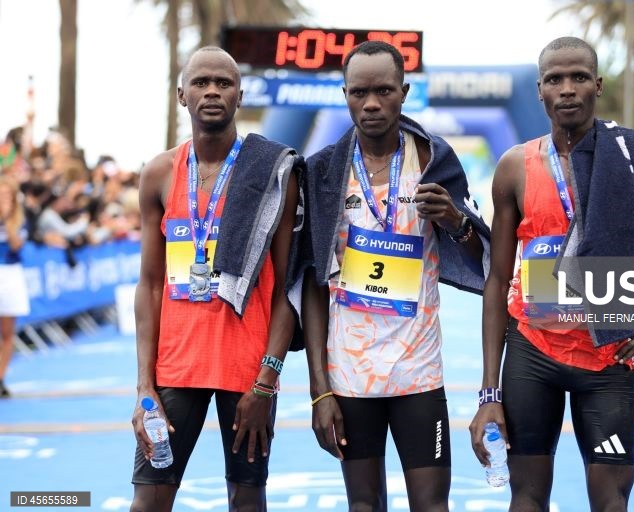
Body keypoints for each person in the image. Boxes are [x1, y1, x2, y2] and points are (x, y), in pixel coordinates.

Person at [469, 37, 634, 512]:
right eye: (555, 79)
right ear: (540, 91)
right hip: (533, 353)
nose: (567, 89)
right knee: (526, 497)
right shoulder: (515, 168)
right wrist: (490, 389)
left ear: (598, 85)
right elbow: (496, 280)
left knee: (611, 502)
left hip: (609, 359)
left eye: (578, 78)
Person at [301, 41, 490, 511]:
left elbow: (480, 254)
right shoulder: (323, 171)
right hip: (349, 376)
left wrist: (456, 221)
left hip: (418, 372)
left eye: (384, 90)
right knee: (364, 505)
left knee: (432, 506)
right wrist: (319, 388)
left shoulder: (432, 158)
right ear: (344, 94)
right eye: (359, 92)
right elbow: (311, 284)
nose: (371, 103)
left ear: (404, 92)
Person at [130, 46, 302, 512]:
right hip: (175, 369)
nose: (212, 91)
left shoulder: (273, 172)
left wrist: (267, 381)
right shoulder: (159, 175)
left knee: (247, 501)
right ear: (181, 94)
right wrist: (145, 387)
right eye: (201, 82)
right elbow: (148, 285)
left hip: (246, 372)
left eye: (223, 83)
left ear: (240, 96)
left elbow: (288, 288)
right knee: (148, 501)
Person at [0, 176, 31, 398]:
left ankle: (1, 377)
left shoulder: (19, 220)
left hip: (11, 275)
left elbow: (17, 245)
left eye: (6, 195)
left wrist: (7, 219)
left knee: (7, 333)